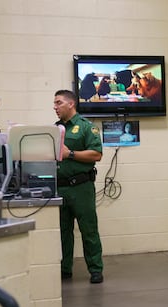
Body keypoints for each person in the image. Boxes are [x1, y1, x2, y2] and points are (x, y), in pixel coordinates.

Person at [53, 89, 104, 284]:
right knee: (62, 231)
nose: (55, 107)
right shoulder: (54, 129)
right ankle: (65, 268)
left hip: (81, 188)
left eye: (58, 103)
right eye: (55, 103)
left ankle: (95, 269)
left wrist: (70, 154)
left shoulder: (86, 127)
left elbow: (96, 155)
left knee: (88, 230)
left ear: (71, 104)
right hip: (60, 187)